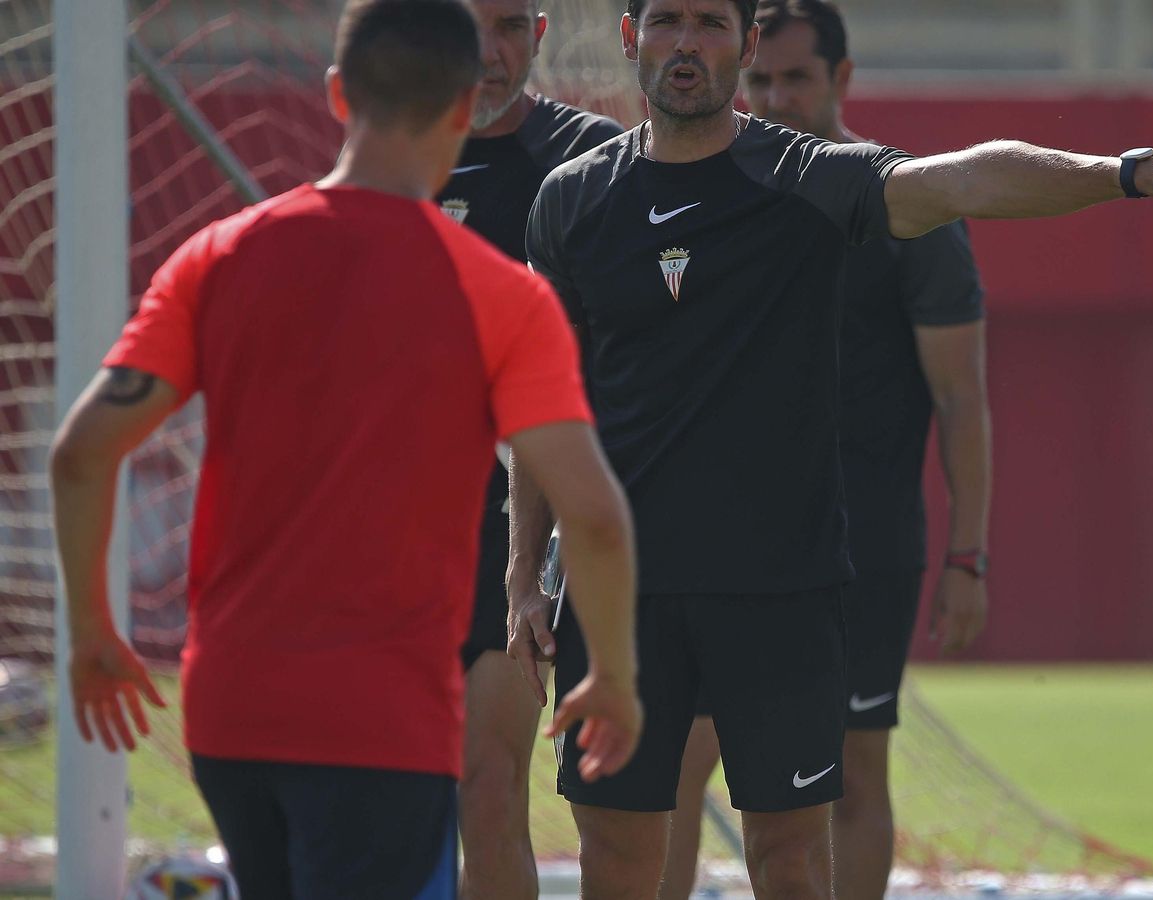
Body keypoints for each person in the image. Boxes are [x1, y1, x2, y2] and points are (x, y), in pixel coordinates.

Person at [515, 1, 1153, 897]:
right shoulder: (571, 199)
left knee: (790, 856)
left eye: (713, 22)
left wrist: (1133, 173)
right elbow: (544, 408)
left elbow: (969, 182)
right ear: (630, 36)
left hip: (782, 592)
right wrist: (525, 572)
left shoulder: (807, 180)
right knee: (620, 855)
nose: (688, 43)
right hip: (618, 595)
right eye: (667, 19)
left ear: (746, 45)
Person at [50, 1, 641, 896]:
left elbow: (81, 453)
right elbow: (594, 516)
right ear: (458, 109)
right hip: (383, 715)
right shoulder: (503, 296)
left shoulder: (219, 254)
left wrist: (94, 631)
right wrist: (618, 677)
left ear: (333, 96)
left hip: (231, 707)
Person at [659, 2, 990, 897]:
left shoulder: (901, 205)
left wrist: (969, 554)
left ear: (841, 81)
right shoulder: (703, 193)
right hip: (716, 541)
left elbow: (961, 396)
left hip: (860, 547)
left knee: (848, 770)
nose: (775, 97)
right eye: (762, 78)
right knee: (676, 765)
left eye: (796, 79)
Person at [435, 1, 626, 896]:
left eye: (509, 24)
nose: (488, 51)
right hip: (396, 526)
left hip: (519, 520)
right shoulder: (388, 165)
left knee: (488, 786)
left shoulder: (591, 163)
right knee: (387, 796)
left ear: (541, 33)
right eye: (466, 25)